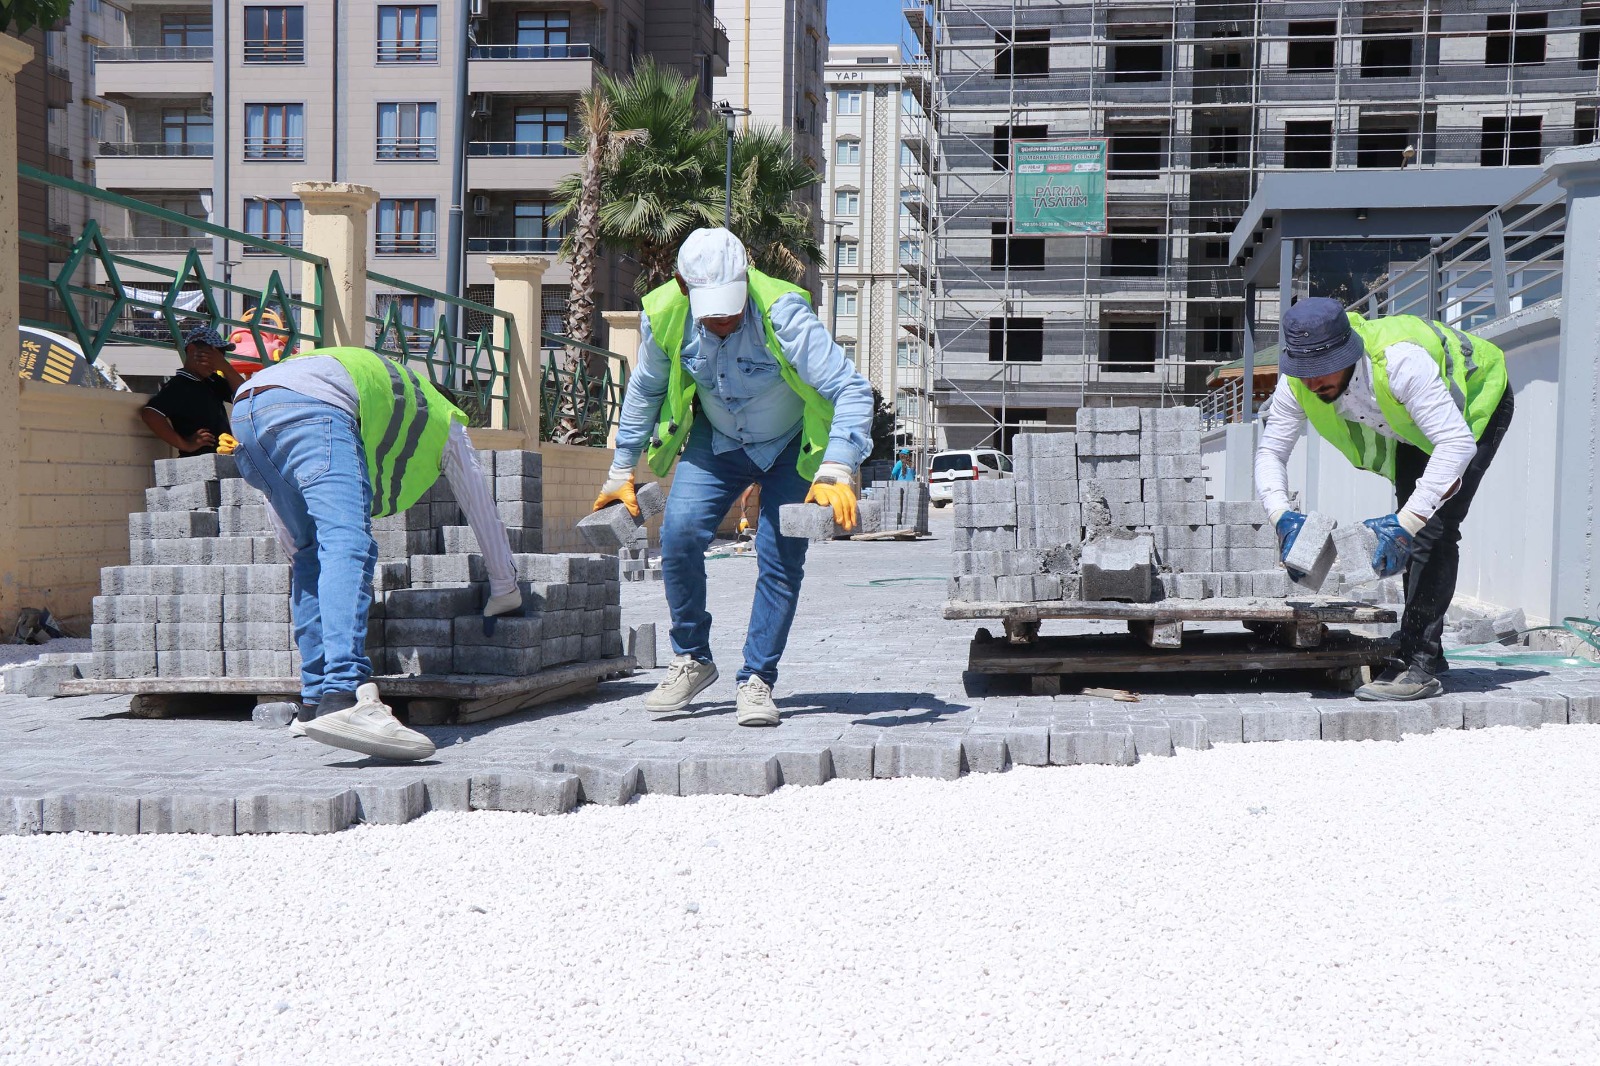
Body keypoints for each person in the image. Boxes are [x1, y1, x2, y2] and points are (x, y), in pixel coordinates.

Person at [594, 227, 874, 727]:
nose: (724, 321)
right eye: (713, 312)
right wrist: (621, 469)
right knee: (679, 535)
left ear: (746, 278)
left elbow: (852, 390)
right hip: (717, 441)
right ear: (683, 287)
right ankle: (693, 658)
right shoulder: (664, 316)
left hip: (791, 445)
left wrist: (837, 467)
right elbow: (645, 391)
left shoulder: (783, 310)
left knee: (779, 555)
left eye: (731, 307)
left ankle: (757, 680)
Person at [230, 346, 525, 761]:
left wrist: (302, 557)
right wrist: (504, 586)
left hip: (246, 411)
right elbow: (480, 504)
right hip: (314, 409)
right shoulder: (443, 417)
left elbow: (296, 547)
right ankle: (346, 696)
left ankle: (315, 702)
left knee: (312, 554)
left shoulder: (367, 383)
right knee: (348, 544)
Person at [1255, 297, 1513, 702]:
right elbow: (1271, 452)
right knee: (1415, 525)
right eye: (1303, 372)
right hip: (1412, 427)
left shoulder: (1400, 363)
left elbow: (1455, 443)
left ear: (1349, 351)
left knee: (1433, 530)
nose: (1312, 382)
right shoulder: (1296, 384)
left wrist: (1405, 525)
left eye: (1322, 370)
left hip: (1473, 410)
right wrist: (1281, 517)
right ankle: (1424, 644)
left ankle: (1420, 667)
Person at [140, 325, 244, 455]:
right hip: (199, 463)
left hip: (222, 459)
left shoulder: (212, 381)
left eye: (220, 356)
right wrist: (187, 445)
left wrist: (226, 368)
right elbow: (151, 414)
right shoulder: (179, 386)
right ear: (192, 350)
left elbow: (245, 395)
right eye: (211, 355)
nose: (216, 362)